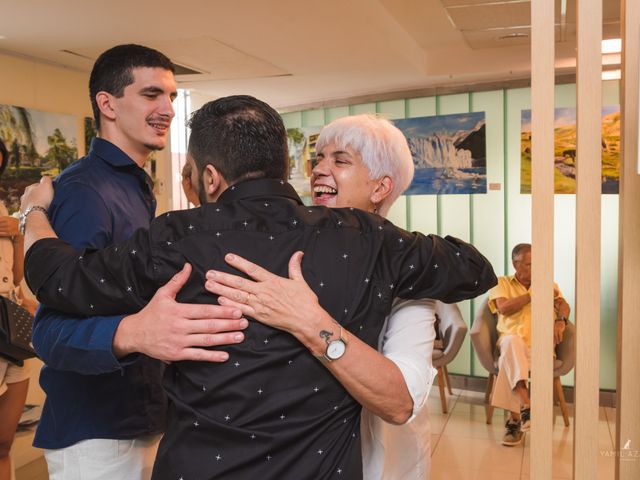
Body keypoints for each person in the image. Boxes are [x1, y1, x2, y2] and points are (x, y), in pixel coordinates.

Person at [21, 95, 497, 479]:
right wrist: (427, 286)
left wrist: (35, 214)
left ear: (209, 175)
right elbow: (474, 268)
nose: (323, 170)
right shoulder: (370, 240)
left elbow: (58, 279)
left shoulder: (176, 237)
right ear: (284, 162)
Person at [28, 45, 247, 480]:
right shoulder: (85, 191)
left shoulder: (133, 186)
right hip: (98, 432)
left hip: (141, 417)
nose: (167, 108)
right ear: (107, 104)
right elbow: (51, 332)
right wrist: (134, 333)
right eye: (151, 95)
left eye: (170, 96)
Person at [203, 114, 438, 479]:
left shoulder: (404, 272)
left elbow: (399, 402)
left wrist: (310, 323)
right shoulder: (291, 253)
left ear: (380, 188)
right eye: (318, 159)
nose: (319, 170)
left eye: (340, 161)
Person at [488, 243, 570, 446]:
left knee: (509, 361)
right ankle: (526, 406)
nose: (536, 268)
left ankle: (515, 420)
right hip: (513, 344)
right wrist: (534, 294)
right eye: (530, 264)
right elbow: (504, 308)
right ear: (516, 264)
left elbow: (563, 304)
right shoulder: (501, 282)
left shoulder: (548, 283)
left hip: (540, 348)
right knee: (510, 343)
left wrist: (561, 320)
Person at [0, 139, 32, 480]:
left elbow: (18, 276)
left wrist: (18, 235)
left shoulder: (2, 210)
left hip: (10, 330)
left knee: (5, 441)